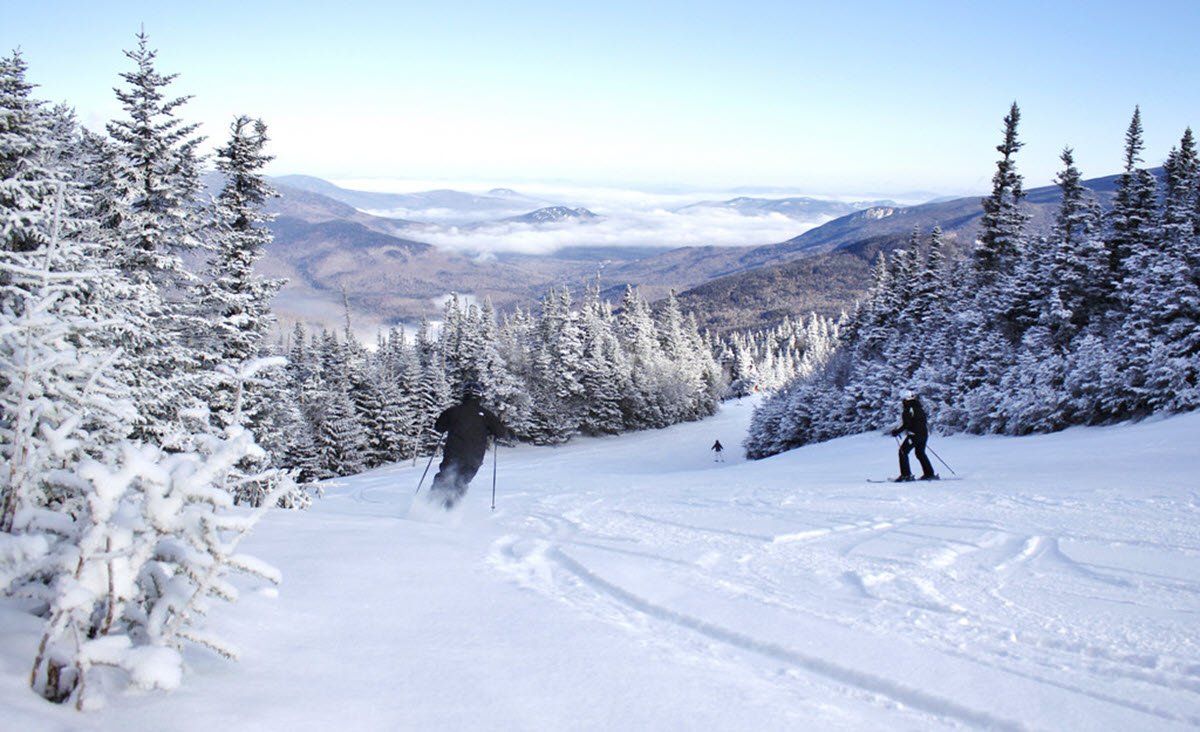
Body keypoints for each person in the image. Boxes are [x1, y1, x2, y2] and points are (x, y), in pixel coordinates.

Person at [427, 383, 510, 509]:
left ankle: (429, 506)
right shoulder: (486, 414)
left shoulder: (453, 411)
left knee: (444, 478)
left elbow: (439, 427)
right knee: (461, 482)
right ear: (479, 396)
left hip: (453, 455)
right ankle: (450, 512)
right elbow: (500, 432)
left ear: (464, 395)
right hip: (474, 458)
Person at [889, 391, 937, 482]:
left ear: (905, 400)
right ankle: (929, 473)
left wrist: (897, 432)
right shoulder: (919, 408)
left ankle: (906, 475)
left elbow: (907, 424)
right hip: (924, 434)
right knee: (920, 453)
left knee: (903, 452)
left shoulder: (908, 409)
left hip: (914, 435)